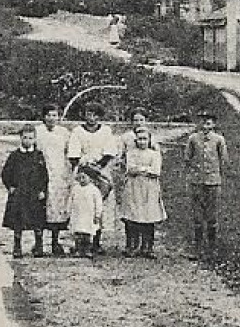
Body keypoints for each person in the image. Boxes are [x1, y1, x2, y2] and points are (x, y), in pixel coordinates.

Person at [67, 103, 122, 254]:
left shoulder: (105, 131)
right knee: (82, 206)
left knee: (98, 205)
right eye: (88, 114)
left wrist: (98, 166)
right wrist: (82, 167)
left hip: (101, 170)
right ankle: (81, 243)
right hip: (84, 170)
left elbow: (110, 151)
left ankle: (96, 242)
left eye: (95, 115)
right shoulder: (77, 131)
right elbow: (73, 154)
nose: (92, 118)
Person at [181, 111, 228, 258]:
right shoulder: (193, 139)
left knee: (212, 215)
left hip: (213, 182)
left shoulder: (219, 140)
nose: (205, 126)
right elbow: (187, 158)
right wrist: (190, 176)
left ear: (213, 124)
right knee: (197, 216)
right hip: (196, 181)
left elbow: (224, 159)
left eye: (208, 123)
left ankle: (212, 247)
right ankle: (197, 247)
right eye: (202, 122)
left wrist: (219, 176)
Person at [117, 125, 167, 258]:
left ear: (150, 140)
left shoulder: (155, 154)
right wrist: (146, 169)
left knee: (148, 217)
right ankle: (131, 246)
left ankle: (147, 247)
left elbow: (156, 171)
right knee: (132, 215)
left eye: (145, 139)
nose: (142, 142)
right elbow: (130, 169)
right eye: (139, 139)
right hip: (133, 187)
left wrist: (141, 169)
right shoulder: (131, 153)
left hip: (149, 188)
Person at [1, 125, 49, 258]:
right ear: (20, 138)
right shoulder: (15, 156)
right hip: (20, 192)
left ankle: (39, 246)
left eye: (31, 138)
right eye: (25, 138)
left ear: (35, 139)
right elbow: (6, 173)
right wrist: (10, 186)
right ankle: (17, 246)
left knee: (37, 220)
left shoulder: (38, 155)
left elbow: (44, 175)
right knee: (18, 220)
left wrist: (42, 190)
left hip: (34, 193)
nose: (28, 141)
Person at [34, 105, 74, 255]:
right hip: (41, 172)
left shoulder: (64, 133)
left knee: (57, 208)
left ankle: (55, 242)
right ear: (44, 116)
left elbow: (70, 152)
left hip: (59, 173)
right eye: (48, 115)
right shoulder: (38, 131)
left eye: (54, 115)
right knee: (40, 207)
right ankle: (38, 243)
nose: (51, 118)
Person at [67, 166, 105, 258]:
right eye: (79, 178)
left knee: (87, 234)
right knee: (78, 234)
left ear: (90, 179)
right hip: (77, 215)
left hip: (88, 216)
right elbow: (70, 200)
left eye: (84, 177)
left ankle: (87, 249)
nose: (81, 180)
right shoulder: (75, 189)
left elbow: (98, 204)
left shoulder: (94, 190)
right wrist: (68, 212)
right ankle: (78, 250)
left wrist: (97, 215)